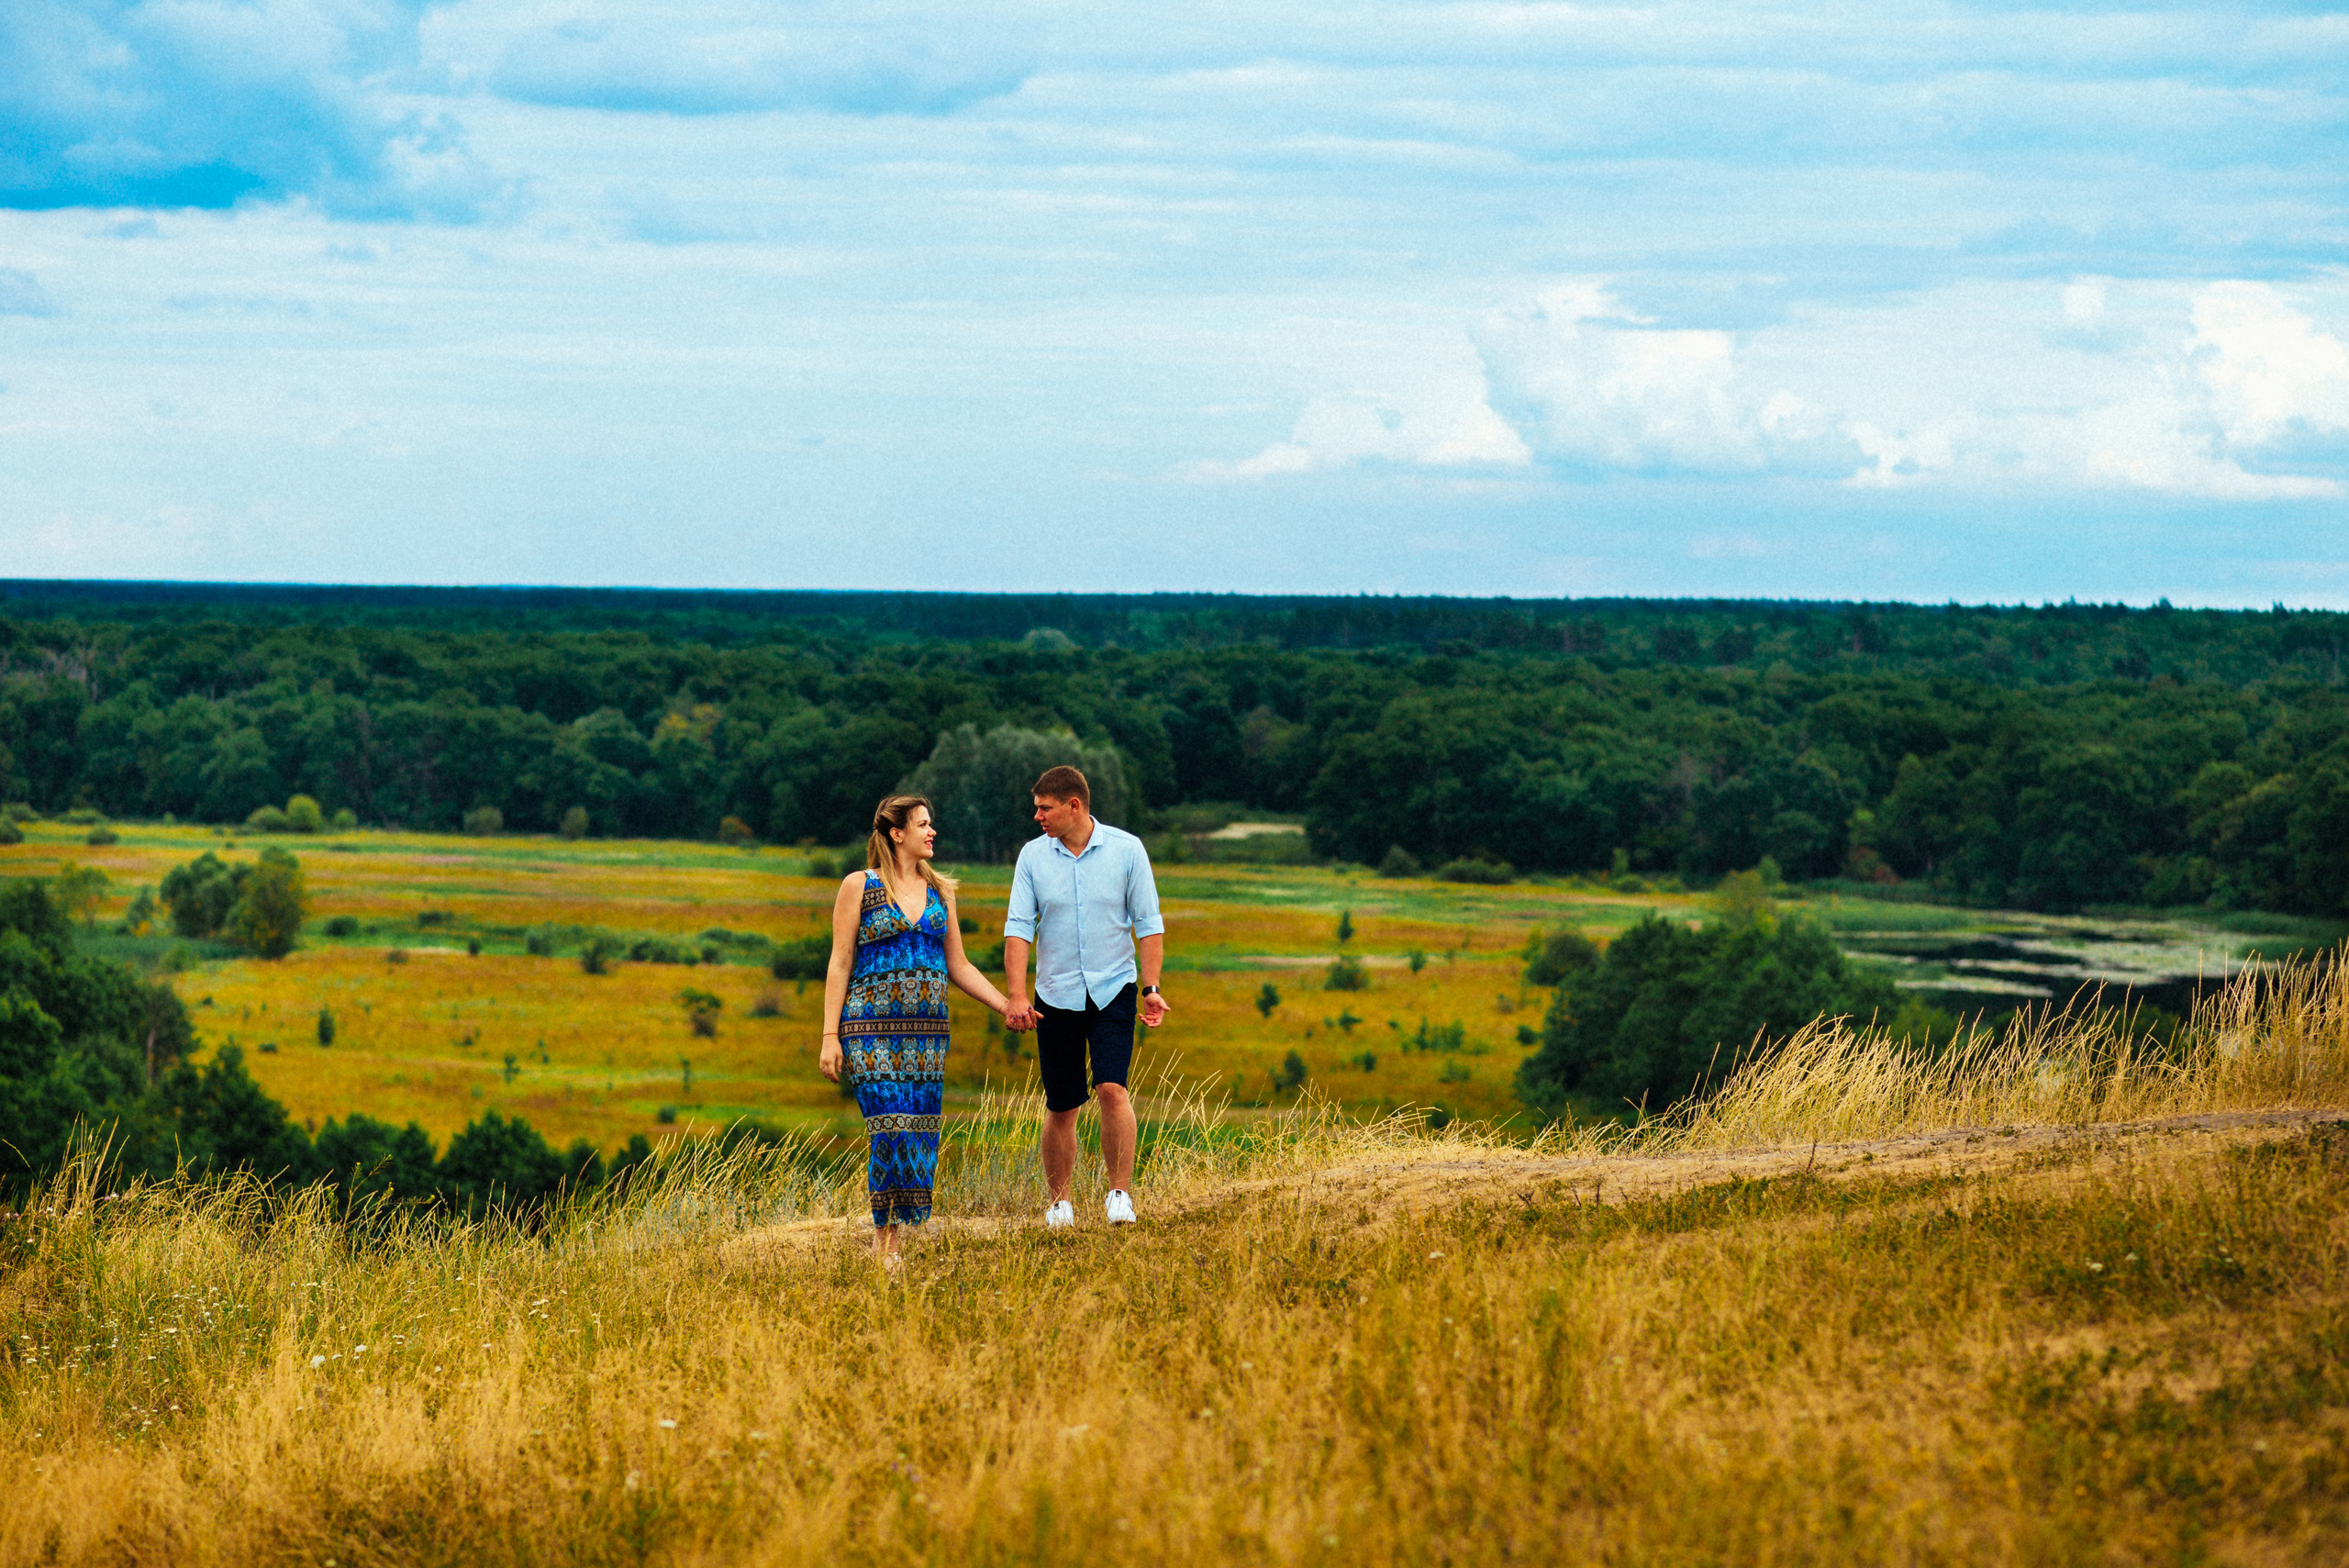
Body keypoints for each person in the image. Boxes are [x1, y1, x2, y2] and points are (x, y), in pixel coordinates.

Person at [818, 794, 1014, 1268]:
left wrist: (1006, 1004)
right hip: (868, 1030)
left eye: (932, 824)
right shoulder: (858, 886)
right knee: (891, 1126)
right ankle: (882, 1245)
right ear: (896, 833)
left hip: (927, 1037)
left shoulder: (941, 891)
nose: (933, 832)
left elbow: (959, 965)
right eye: (923, 824)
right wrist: (830, 1036)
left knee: (920, 1131)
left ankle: (895, 1245)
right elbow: (840, 961)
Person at [1002, 764, 1167, 1229]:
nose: (1037, 816)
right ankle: (1060, 1204)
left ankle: (1120, 1195)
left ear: (1073, 805)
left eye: (1044, 807)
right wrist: (1016, 996)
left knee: (1112, 1089)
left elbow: (1149, 923)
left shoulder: (1127, 849)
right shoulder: (1032, 857)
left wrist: (1151, 988)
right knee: (1062, 1104)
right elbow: (1018, 929)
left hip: (1114, 987)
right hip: (1055, 994)